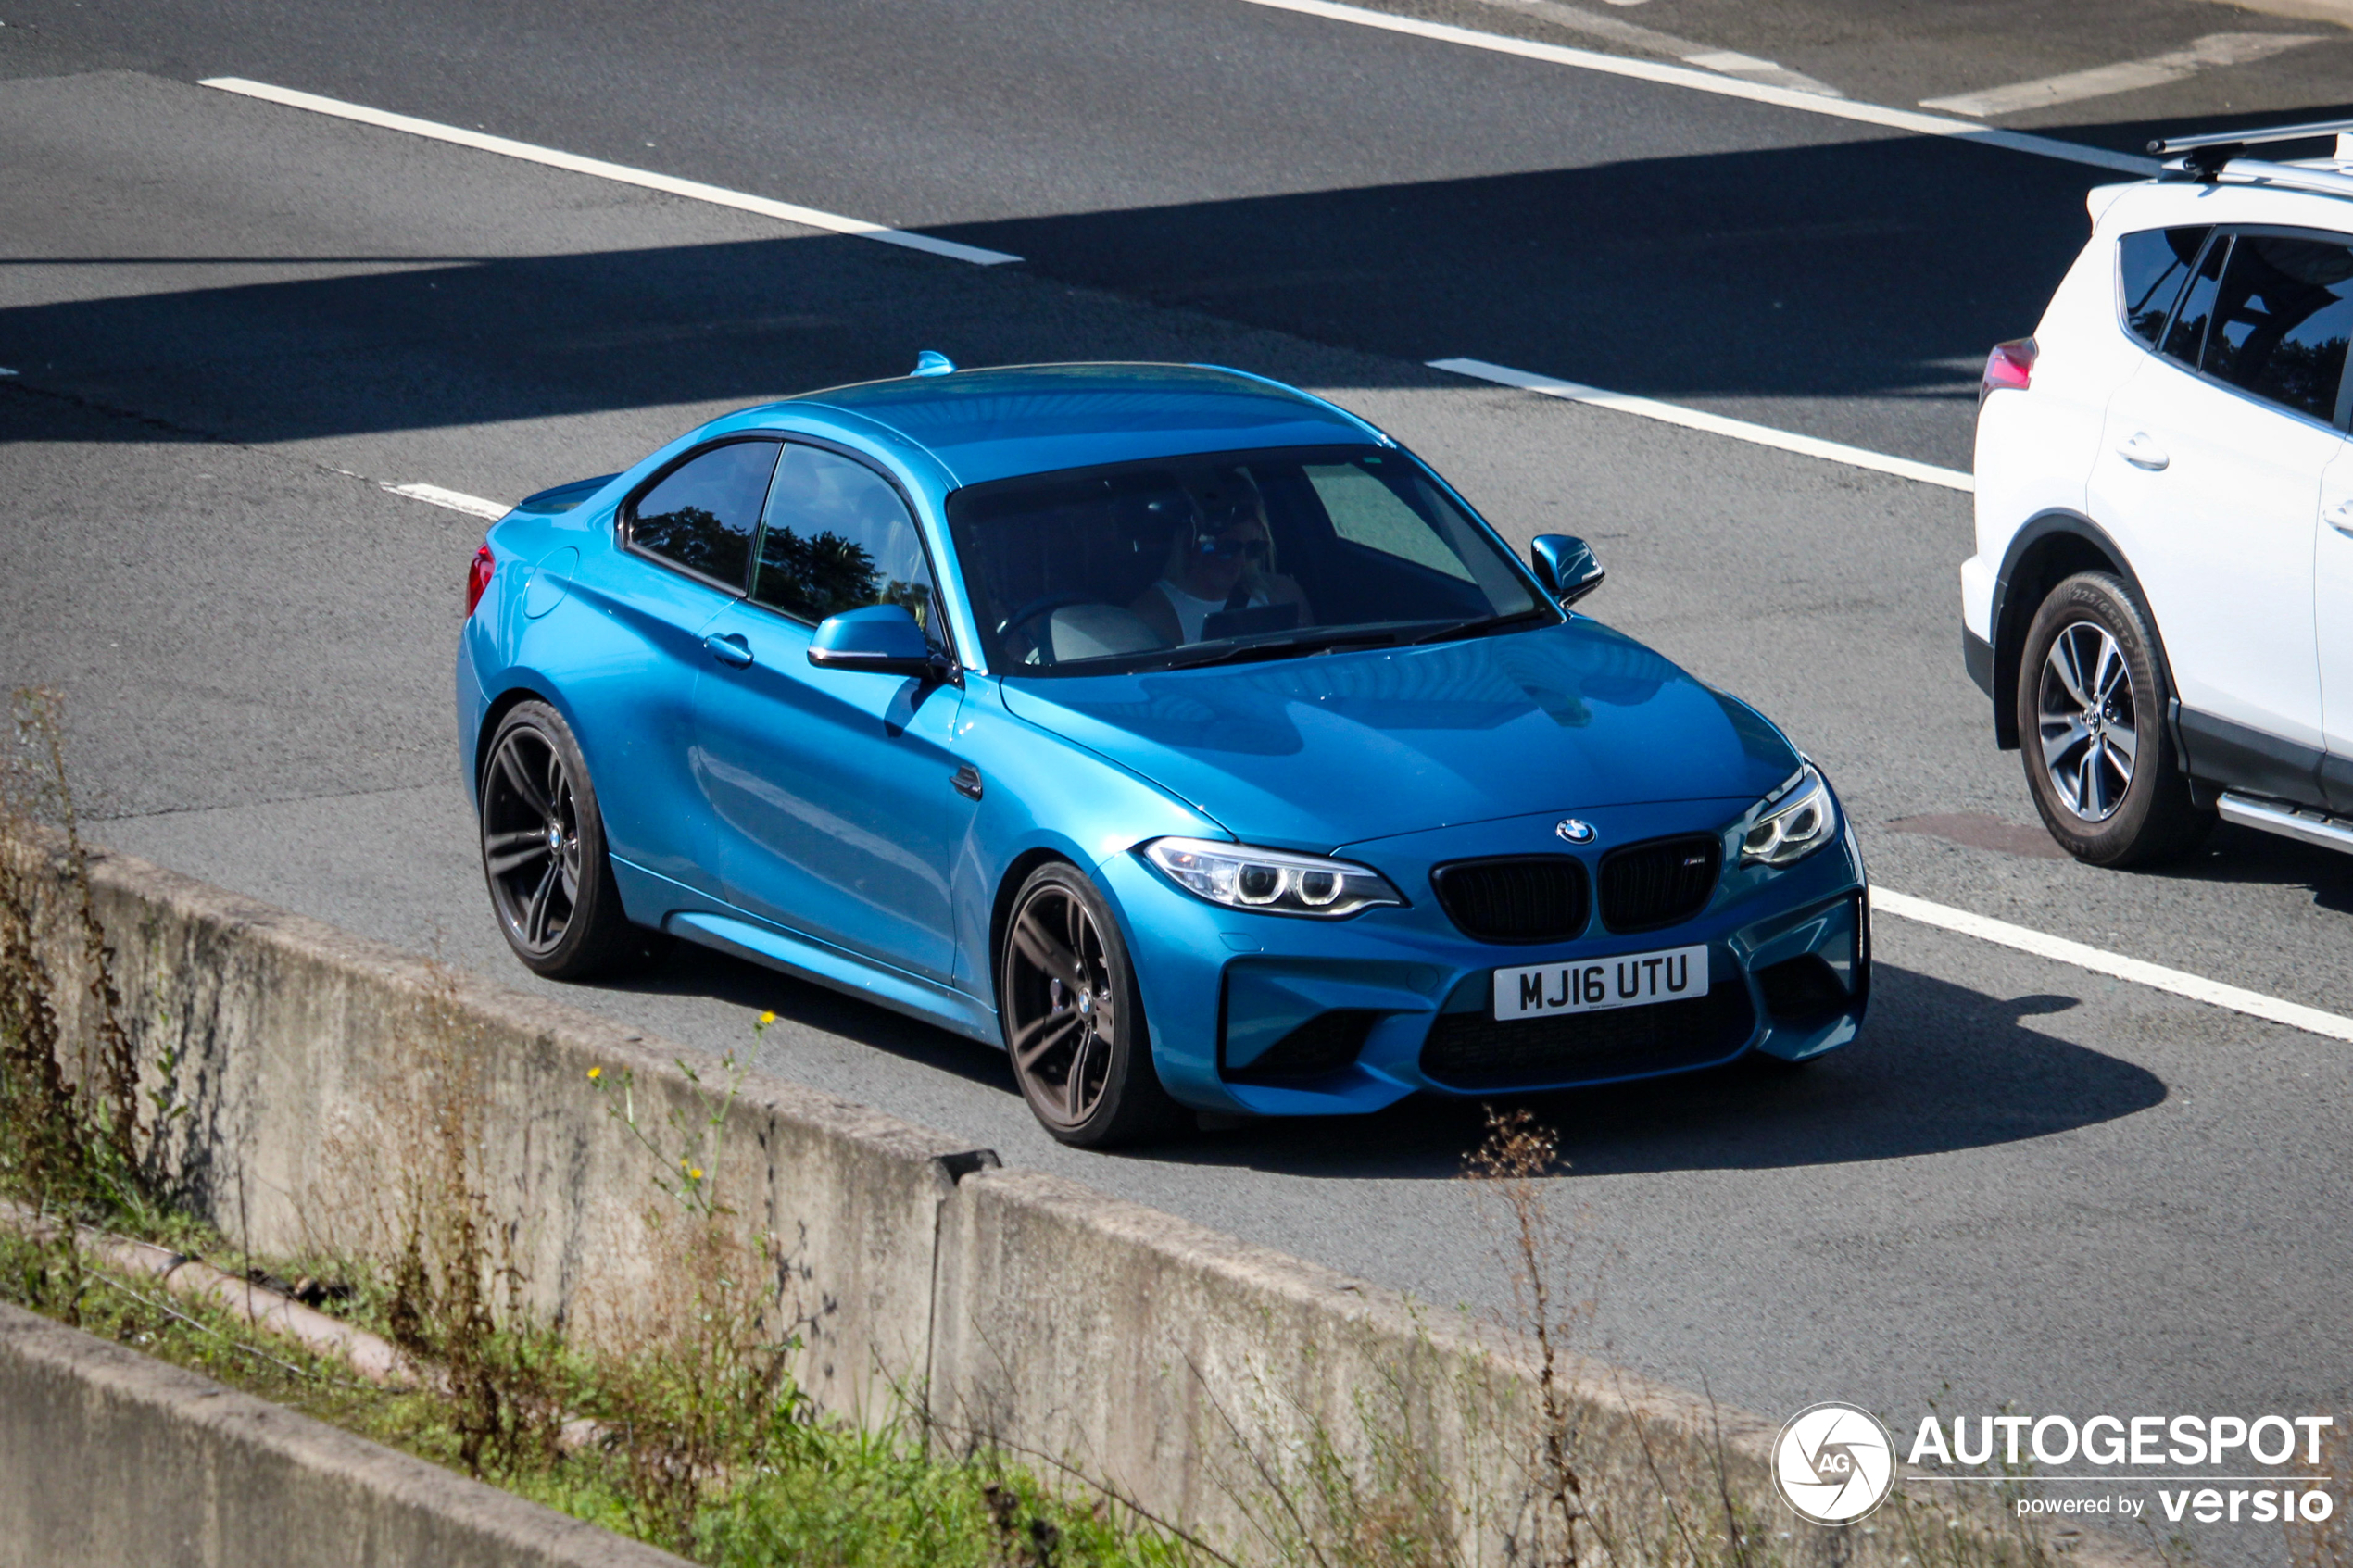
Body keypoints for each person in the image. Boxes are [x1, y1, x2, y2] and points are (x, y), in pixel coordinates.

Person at [1129, 470, 1310, 645]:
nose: (1240, 561)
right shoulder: (1155, 614)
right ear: (1189, 542)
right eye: (1227, 548)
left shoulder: (1282, 594)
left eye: (1254, 548)